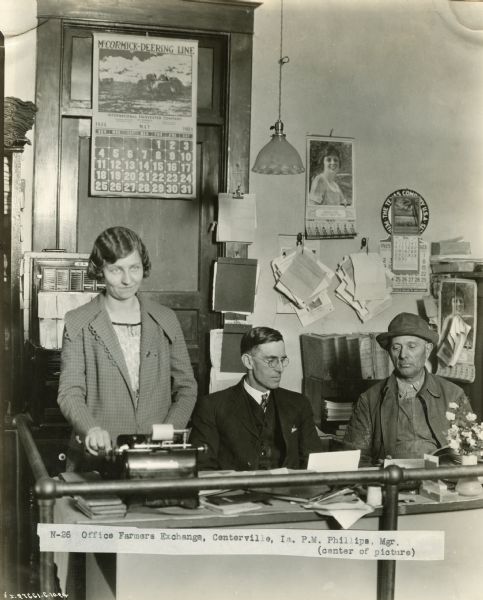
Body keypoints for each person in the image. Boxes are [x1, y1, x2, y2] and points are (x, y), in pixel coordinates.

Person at [57, 226, 197, 469]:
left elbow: (186, 388)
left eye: (134, 268)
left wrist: (168, 431)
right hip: (99, 459)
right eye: (116, 270)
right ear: (100, 270)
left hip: (157, 458)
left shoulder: (166, 319)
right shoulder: (77, 322)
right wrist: (91, 430)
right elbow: (70, 392)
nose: (127, 279)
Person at [344, 312, 472, 466]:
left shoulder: (453, 394)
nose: (403, 355)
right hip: (391, 482)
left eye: (412, 346)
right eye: (396, 348)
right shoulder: (369, 400)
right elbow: (355, 459)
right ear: (389, 352)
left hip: (443, 481)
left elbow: (470, 451)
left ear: (428, 348)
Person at [189, 326, 323, 471]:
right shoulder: (212, 406)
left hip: (289, 491)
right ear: (248, 362)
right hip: (236, 493)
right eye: (271, 360)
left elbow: (313, 462)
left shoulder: (299, 404)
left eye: (282, 360)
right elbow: (203, 468)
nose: (280, 368)